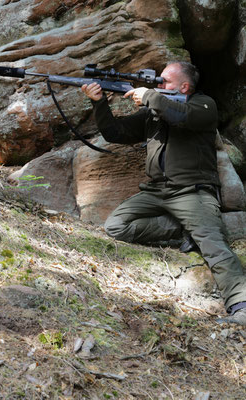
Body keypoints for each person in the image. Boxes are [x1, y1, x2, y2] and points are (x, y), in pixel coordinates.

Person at [81, 61, 246, 326]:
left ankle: (241, 306)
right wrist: (99, 103)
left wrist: (149, 97)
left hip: (192, 192)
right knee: (116, 226)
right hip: (157, 191)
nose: (158, 85)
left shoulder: (204, 105)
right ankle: (184, 230)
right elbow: (114, 133)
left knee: (214, 246)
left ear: (184, 86)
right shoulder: (153, 113)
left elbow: (180, 115)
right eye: (157, 82)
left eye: (164, 82)